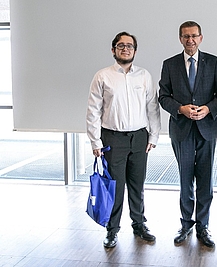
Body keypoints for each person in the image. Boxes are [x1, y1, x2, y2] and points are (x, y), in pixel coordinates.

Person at [86, 31, 161, 248]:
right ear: (113, 50)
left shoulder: (144, 76)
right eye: (121, 45)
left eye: (129, 46)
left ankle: (139, 225)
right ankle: (112, 229)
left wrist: (154, 135)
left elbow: (152, 108)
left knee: (137, 186)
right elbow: (93, 110)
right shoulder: (102, 76)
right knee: (115, 187)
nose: (125, 49)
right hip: (113, 138)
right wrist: (95, 141)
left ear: (135, 51)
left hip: (139, 138)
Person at [158, 21, 217, 248]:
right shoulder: (169, 64)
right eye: (186, 36)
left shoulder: (213, 62)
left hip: (207, 128)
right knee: (185, 179)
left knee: (205, 180)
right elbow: (164, 96)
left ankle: (203, 226)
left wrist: (208, 108)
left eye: (194, 36)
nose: (190, 40)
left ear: (201, 38)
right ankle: (186, 223)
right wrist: (181, 109)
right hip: (181, 129)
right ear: (180, 39)